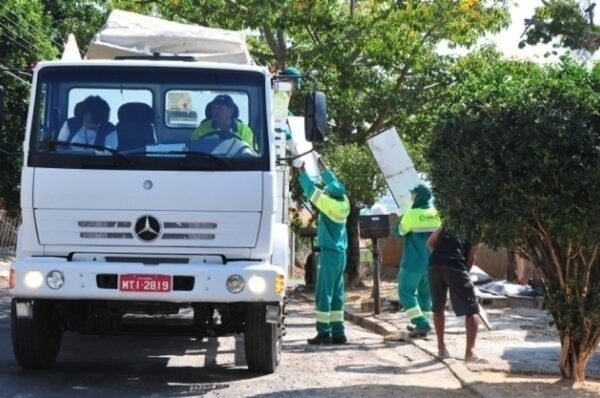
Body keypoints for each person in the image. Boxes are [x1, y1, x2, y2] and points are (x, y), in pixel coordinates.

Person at [295, 156, 350, 345]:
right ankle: (339, 332)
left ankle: (324, 332)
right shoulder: (344, 202)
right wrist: (323, 167)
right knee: (337, 294)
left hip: (329, 253)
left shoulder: (329, 205)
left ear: (329, 195)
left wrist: (301, 171)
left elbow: (311, 190)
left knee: (323, 294)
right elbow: (335, 184)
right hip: (341, 254)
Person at [427, 226, 485, 362]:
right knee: (472, 309)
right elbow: (471, 256)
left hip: (434, 265)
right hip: (455, 265)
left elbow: (429, 243)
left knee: (438, 307)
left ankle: (441, 348)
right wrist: (465, 273)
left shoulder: (447, 224)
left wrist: (440, 256)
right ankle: (470, 353)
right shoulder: (476, 228)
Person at [393, 184, 441, 337]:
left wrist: (399, 222)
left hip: (413, 262)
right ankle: (423, 326)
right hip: (432, 261)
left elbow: (398, 233)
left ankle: (421, 322)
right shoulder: (436, 213)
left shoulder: (411, 214)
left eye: (413, 194)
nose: (411, 197)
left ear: (417, 196)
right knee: (425, 294)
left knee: (405, 291)